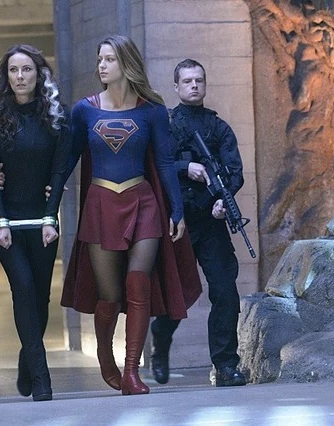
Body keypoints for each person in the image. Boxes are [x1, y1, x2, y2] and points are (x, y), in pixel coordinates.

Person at [61, 35, 202, 396]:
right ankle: (105, 357)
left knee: (138, 285)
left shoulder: (151, 110)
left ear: (126, 63)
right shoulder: (84, 110)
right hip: (101, 204)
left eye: (109, 59)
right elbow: (69, 157)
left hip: (143, 202)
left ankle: (131, 372)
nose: (102, 66)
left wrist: (177, 210)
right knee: (109, 294)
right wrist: (49, 202)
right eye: (100, 59)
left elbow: (165, 162)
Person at [0, 44, 71, 402]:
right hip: (7, 221)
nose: (20, 76)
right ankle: (42, 377)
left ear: (39, 73)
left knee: (41, 297)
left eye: (27, 69)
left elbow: (59, 171)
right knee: (24, 288)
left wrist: (51, 216)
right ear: (7, 76)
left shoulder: (56, 115)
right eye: (14, 70)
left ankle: (26, 361)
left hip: (42, 218)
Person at [150, 58, 247, 387]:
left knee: (225, 290)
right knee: (178, 293)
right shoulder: (166, 125)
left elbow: (235, 174)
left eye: (199, 80)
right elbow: (155, 164)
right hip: (177, 222)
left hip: (210, 221)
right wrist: (184, 168)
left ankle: (226, 365)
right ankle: (161, 339)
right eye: (188, 81)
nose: (194, 85)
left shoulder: (218, 128)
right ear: (176, 86)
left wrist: (222, 201)